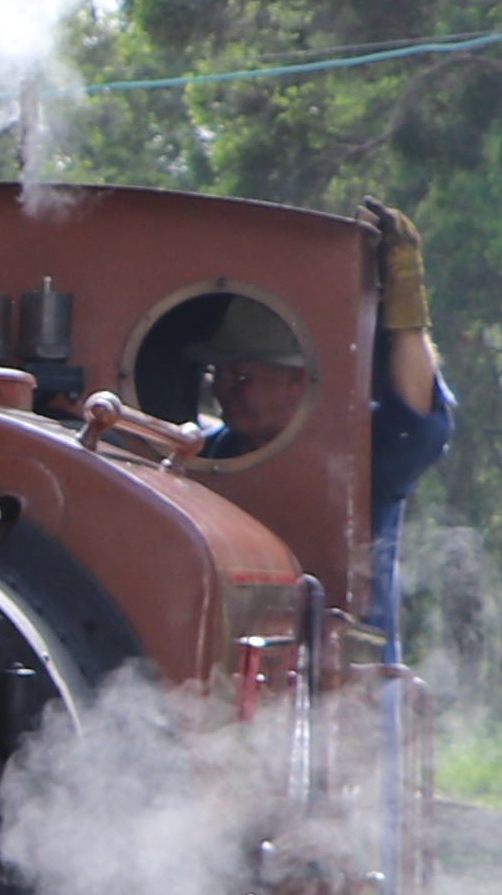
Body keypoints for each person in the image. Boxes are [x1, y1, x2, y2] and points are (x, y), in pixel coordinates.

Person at [191, 204, 455, 637]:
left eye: (242, 376)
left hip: (349, 680)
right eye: (218, 375)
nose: (224, 390)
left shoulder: (363, 453)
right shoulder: (201, 453)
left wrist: (406, 305)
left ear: (297, 380)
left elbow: (417, 421)